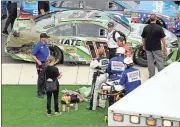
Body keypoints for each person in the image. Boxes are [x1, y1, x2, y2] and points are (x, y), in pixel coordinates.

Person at [141, 14, 167, 78]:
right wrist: (164, 47)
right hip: (157, 48)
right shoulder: (159, 28)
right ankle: (161, 76)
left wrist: (144, 45)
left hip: (148, 48)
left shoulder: (146, 27)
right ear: (156, 19)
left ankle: (151, 76)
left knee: (150, 63)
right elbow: (163, 38)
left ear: (150, 19)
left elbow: (143, 38)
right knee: (159, 62)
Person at [31, 33, 50, 98]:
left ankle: (44, 90)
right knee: (41, 78)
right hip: (40, 63)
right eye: (46, 37)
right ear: (42, 38)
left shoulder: (46, 44)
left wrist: (48, 58)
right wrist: (38, 61)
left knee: (45, 77)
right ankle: (39, 92)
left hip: (46, 62)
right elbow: (33, 55)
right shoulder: (38, 45)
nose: (47, 38)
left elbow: (46, 52)